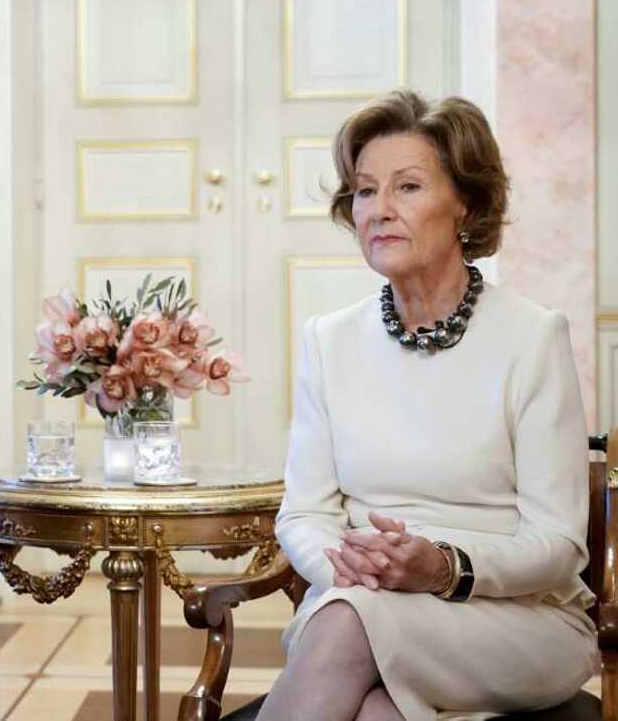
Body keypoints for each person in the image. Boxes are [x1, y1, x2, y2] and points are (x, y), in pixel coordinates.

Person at [253, 91, 597, 720]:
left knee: (350, 627)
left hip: (512, 619)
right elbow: (303, 513)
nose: (379, 210)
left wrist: (444, 569)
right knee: (378, 710)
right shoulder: (328, 342)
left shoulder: (532, 337)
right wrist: (355, 569)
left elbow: (559, 542)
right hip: (356, 599)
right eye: (364, 191)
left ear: (465, 203)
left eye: (407, 187)